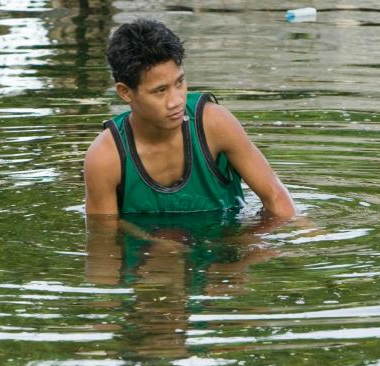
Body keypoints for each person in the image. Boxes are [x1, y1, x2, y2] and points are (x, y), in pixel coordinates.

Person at [84, 19, 296, 219]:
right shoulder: (105, 158)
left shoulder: (214, 124)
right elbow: (103, 240)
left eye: (179, 82)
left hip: (225, 247)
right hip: (149, 255)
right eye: (160, 91)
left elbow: (277, 199)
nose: (176, 101)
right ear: (125, 92)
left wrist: (248, 248)